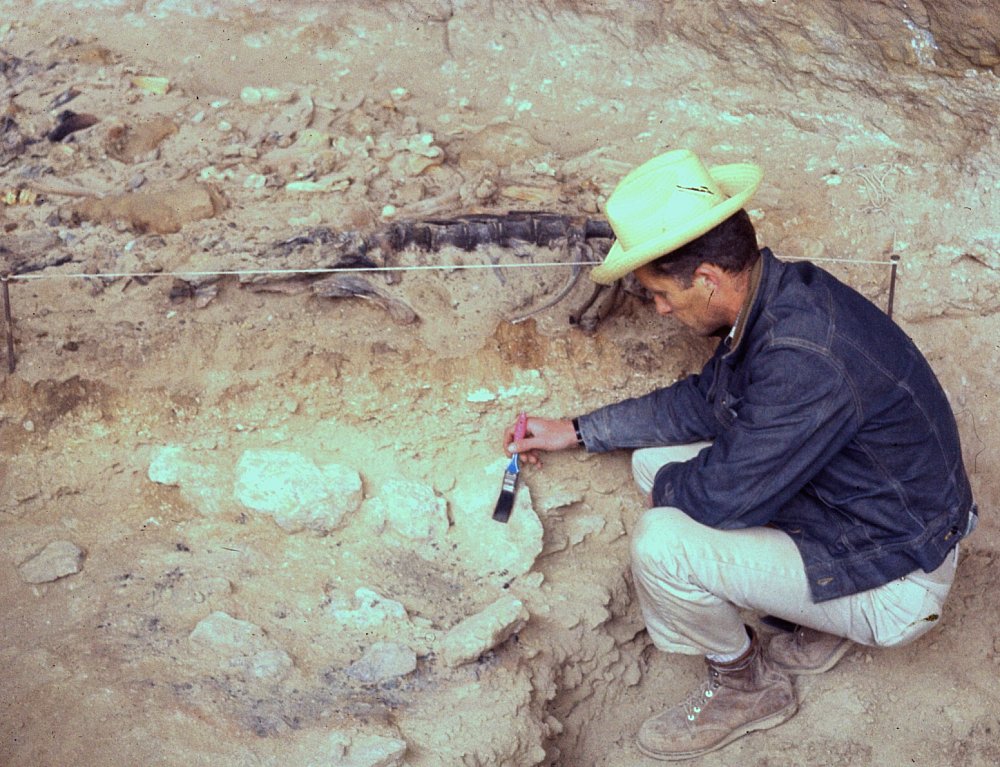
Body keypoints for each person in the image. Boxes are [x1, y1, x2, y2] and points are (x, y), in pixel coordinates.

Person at [502, 149, 977, 761]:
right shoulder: (781, 298)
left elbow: (721, 498)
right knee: (657, 464)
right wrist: (575, 429)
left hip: (900, 577)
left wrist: (670, 492)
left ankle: (746, 684)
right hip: (878, 518)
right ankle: (819, 619)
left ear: (707, 278)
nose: (661, 309)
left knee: (662, 542)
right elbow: (706, 401)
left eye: (659, 294)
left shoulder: (805, 355)